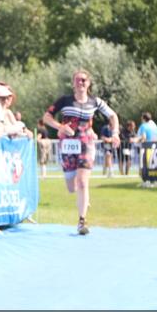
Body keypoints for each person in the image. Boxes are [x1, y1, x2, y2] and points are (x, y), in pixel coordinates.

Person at [42, 69, 119, 236]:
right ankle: (83, 199)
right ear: (73, 83)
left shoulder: (95, 101)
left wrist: (115, 134)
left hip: (86, 144)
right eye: (77, 80)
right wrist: (60, 127)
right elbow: (46, 117)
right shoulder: (64, 101)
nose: (81, 82)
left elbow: (112, 116)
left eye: (84, 80)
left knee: (83, 182)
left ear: (89, 83)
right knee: (72, 187)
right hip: (68, 144)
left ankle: (82, 221)